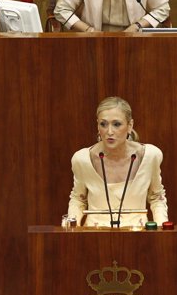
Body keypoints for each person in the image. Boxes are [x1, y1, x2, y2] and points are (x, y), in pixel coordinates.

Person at [68, 96, 168, 228]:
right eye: (103, 124)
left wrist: (161, 229)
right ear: (97, 126)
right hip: (94, 237)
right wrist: (70, 229)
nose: (109, 131)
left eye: (116, 124)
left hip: (139, 236)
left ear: (130, 125)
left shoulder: (150, 156)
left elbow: (156, 197)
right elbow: (78, 199)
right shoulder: (82, 159)